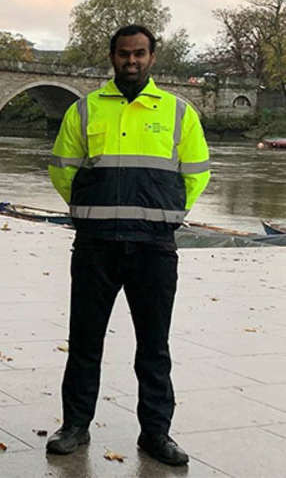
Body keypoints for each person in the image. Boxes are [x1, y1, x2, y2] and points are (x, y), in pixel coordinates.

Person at [46, 24, 210, 467]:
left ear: (152, 57)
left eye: (139, 54)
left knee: (154, 346)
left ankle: (156, 434)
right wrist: (90, 207)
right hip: (96, 245)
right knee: (84, 341)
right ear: (112, 57)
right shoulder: (84, 111)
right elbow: (62, 170)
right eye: (124, 54)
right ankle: (75, 427)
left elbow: (196, 174)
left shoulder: (179, 112)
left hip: (155, 247)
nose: (131, 62)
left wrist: (168, 212)